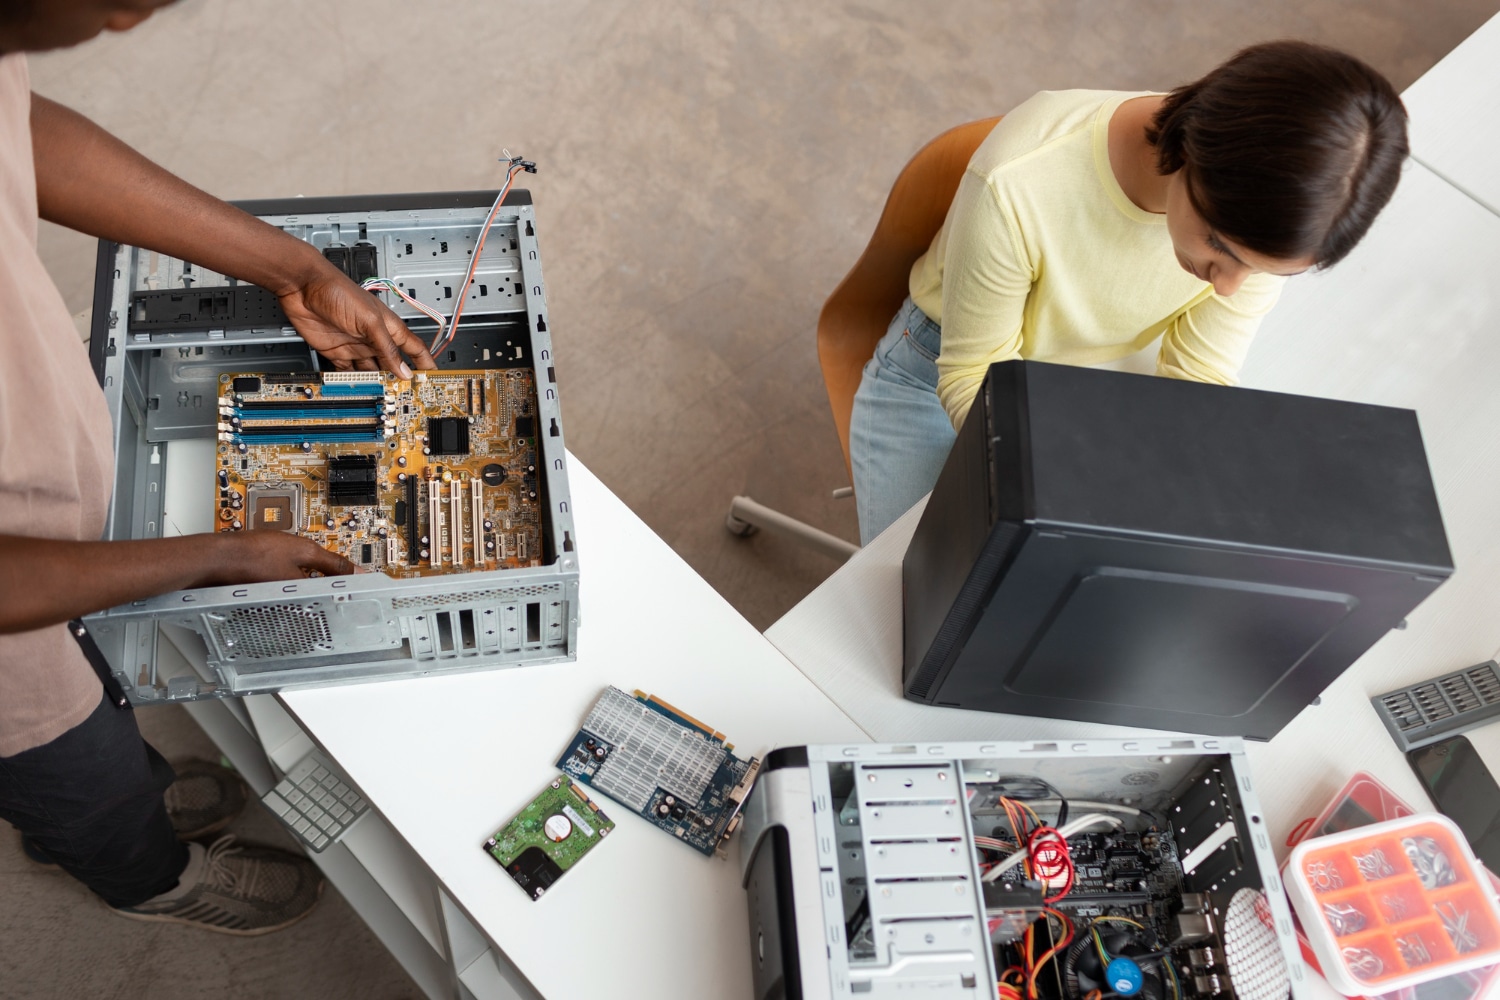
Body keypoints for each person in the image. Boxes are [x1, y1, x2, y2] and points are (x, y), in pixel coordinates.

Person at [0, 0, 435, 934]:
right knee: (81, 778)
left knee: (112, 726)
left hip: (48, 549)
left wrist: (293, 269)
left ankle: (135, 790)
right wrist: (215, 555)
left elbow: (21, 132)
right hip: (10, 678)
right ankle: (152, 876)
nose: (137, 18)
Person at [849, 41, 1409, 543]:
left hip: (1088, 378)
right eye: (1221, 247)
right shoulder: (1019, 181)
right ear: (1192, 154)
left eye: (1265, 272)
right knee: (921, 599)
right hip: (937, 370)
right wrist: (1077, 484)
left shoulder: (1273, 218)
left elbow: (1198, 379)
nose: (1228, 286)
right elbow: (972, 372)